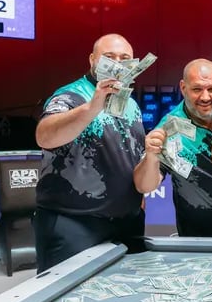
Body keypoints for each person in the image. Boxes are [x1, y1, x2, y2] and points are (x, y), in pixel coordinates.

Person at [34, 33, 147, 272]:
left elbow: (131, 155)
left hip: (126, 223)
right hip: (74, 223)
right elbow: (44, 136)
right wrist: (93, 106)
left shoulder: (131, 104)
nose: (117, 63)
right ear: (92, 60)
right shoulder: (71, 95)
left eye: (124, 58)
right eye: (109, 57)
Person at [133, 59, 212, 237]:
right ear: (183, 88)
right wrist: (151, 157)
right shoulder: (168, 129)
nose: (205, 97)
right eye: (197, 89)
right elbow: (144, 186)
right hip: (198, 237)